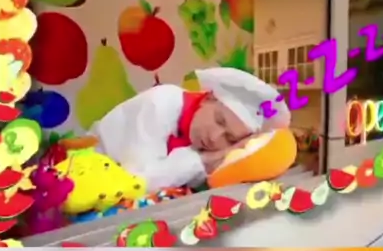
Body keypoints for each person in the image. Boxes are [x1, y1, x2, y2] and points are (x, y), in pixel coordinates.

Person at [90, 68, 291, 192]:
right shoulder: (160, 103)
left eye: (230, 138)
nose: (214, 138)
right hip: (86, 178)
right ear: (208, 98)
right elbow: (137, 182)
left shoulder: (202, 137)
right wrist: (211, 157)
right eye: (219, 120)